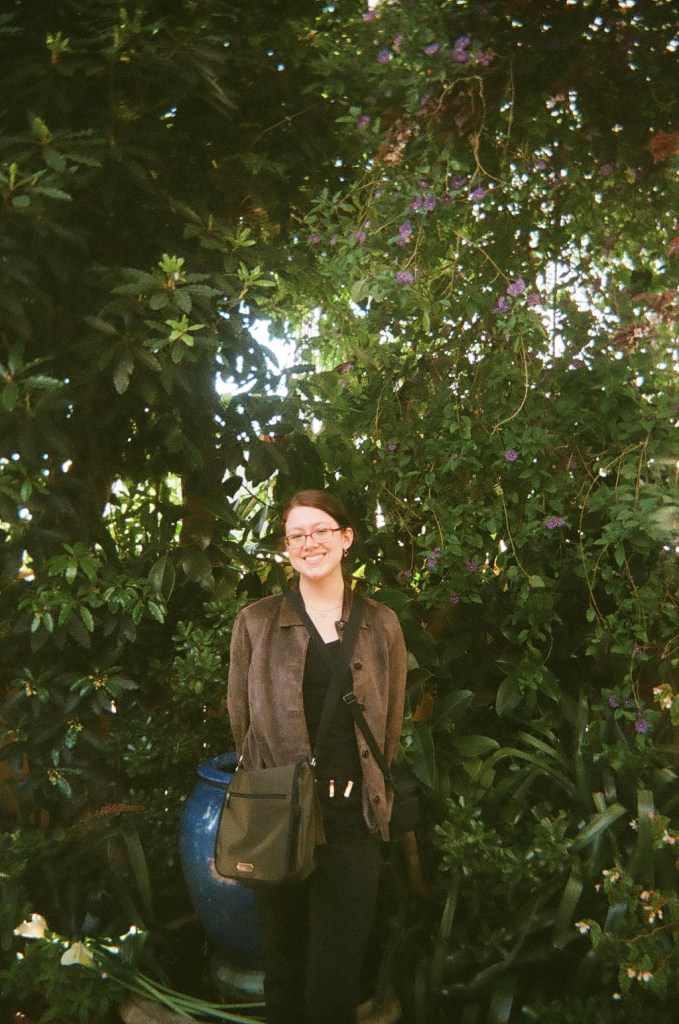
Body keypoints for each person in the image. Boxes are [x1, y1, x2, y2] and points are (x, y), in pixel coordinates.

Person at [227, 488, 407, 1024]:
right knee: (284, 970)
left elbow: (389, 724)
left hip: (353, 821)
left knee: (336, 979)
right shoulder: (255, 622)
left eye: (321, 530)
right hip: (280, 819)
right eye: (297, 534)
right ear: (287, 547)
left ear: (346, 538)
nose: (310, 543)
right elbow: (244, 722)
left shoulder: (381, 624)